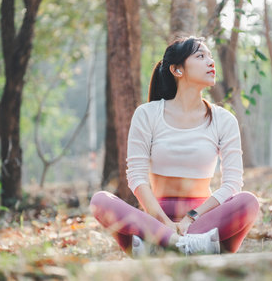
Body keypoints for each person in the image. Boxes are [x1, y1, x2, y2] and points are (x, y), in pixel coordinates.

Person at [90, 36, 259, 257]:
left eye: (210, 56)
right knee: (101, 201)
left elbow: (233, 183)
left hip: (203, 221)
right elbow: (137, 177)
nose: (211, 62)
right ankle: (181, 244)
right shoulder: (148, 114)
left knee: (248, 202)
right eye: (201, 56)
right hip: (155, 220)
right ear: (177, 70)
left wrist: (192, 218)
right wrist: (166, 225)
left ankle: (162, 247)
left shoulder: (224, 120)